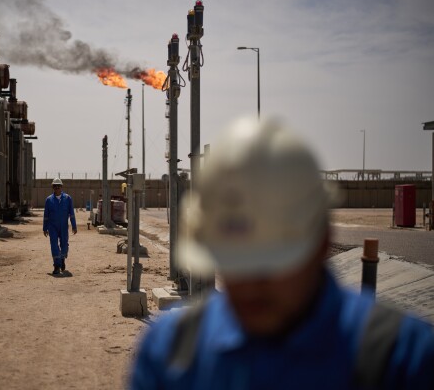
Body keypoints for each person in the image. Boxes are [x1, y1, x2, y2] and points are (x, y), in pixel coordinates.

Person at [130, 119, 434, 389]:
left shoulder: (404, 360)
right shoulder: (170, 352)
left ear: (322, 240)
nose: (250, 285)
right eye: (235, 263)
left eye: (269, 264)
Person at [43, 178, 77, 275]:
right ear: (52, 187)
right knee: (54, 245)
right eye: (55, 186)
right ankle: (56, 265)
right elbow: (46, 215)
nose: (57, 188)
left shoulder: (67, 199)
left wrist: (74, 226)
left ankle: (62, 259)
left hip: (63, 226)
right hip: (52, 226)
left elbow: (72, 214)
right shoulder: (49, 200)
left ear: (61, 187)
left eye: (58, 186)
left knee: (64, 244)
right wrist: (45, 228)